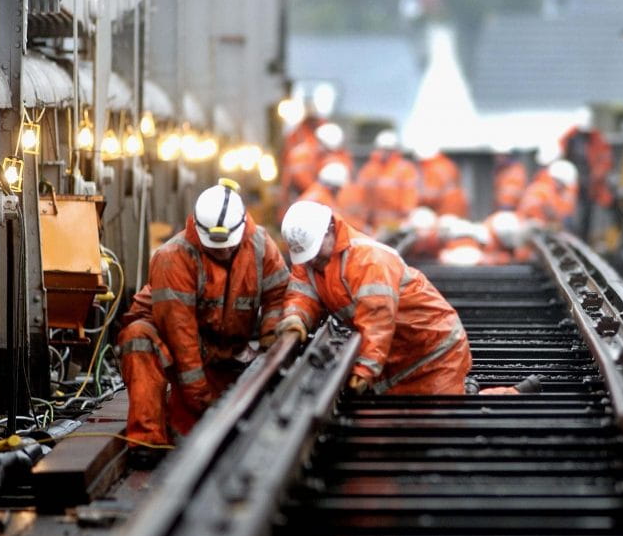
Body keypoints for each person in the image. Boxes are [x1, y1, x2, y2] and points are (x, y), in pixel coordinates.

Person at [118, 179, 289, 467]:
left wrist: (270, 345)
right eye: (214, 247)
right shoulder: (173, 258)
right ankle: (147, 440)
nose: (221, 252)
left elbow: (279, 296)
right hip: (176, 347)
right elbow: (180, 335)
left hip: (224, 349)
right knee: (138, 337)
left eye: (226, 247)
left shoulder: (260, 246)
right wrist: (200, 397)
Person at [277, 200, 472, 395]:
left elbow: (377, 318)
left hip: (434, 350)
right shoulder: (312, 260)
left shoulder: (367, 260)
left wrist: (365, 369)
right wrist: (295, 317)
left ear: (330, 229)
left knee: (439, 417)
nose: (311, 260)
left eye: (315, 252)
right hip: (397, 354)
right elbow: (303, 292)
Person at [559, 109, 613, 239]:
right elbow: (563, 155)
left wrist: (596, 176)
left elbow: (606, 160)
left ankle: (584, 238)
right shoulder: (570, 138)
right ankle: (572, 236)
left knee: (588, 214)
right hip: (572, 181)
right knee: (571, 212)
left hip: (590, 184)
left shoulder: (597, 139)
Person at [355, 130, 418, 233]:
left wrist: (404, 219)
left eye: (388, 150)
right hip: (373, 225)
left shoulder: (404, 169)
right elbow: (360, 195)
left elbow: (408, 200)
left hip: (395, 225)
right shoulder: (369, 169)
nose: (384, 153)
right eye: (382, 149)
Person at [296, 161, 368, 232]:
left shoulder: (315, 191)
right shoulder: (322, 198)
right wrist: (362, 227)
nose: (339, 191)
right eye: (338, 188)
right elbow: (338, 220)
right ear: (333, 187)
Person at [413, 141, 468, 218]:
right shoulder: (446, 163)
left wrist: (414, 201)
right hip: (457, 206)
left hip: (445, 209)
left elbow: (432, 195)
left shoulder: (432, 168)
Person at [517, 158, 578, 226]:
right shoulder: (542, 190)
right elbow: (548, 212)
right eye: (564, 185)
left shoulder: (550, 190)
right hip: (528, 223)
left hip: (537, 224)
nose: (564, 188)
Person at [493, 147, 527, 212]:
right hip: (501, 208)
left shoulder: (515, 170)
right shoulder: (500, 171)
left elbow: (511, 195)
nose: (496, 158)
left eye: (500, 155)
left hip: (509, 208)